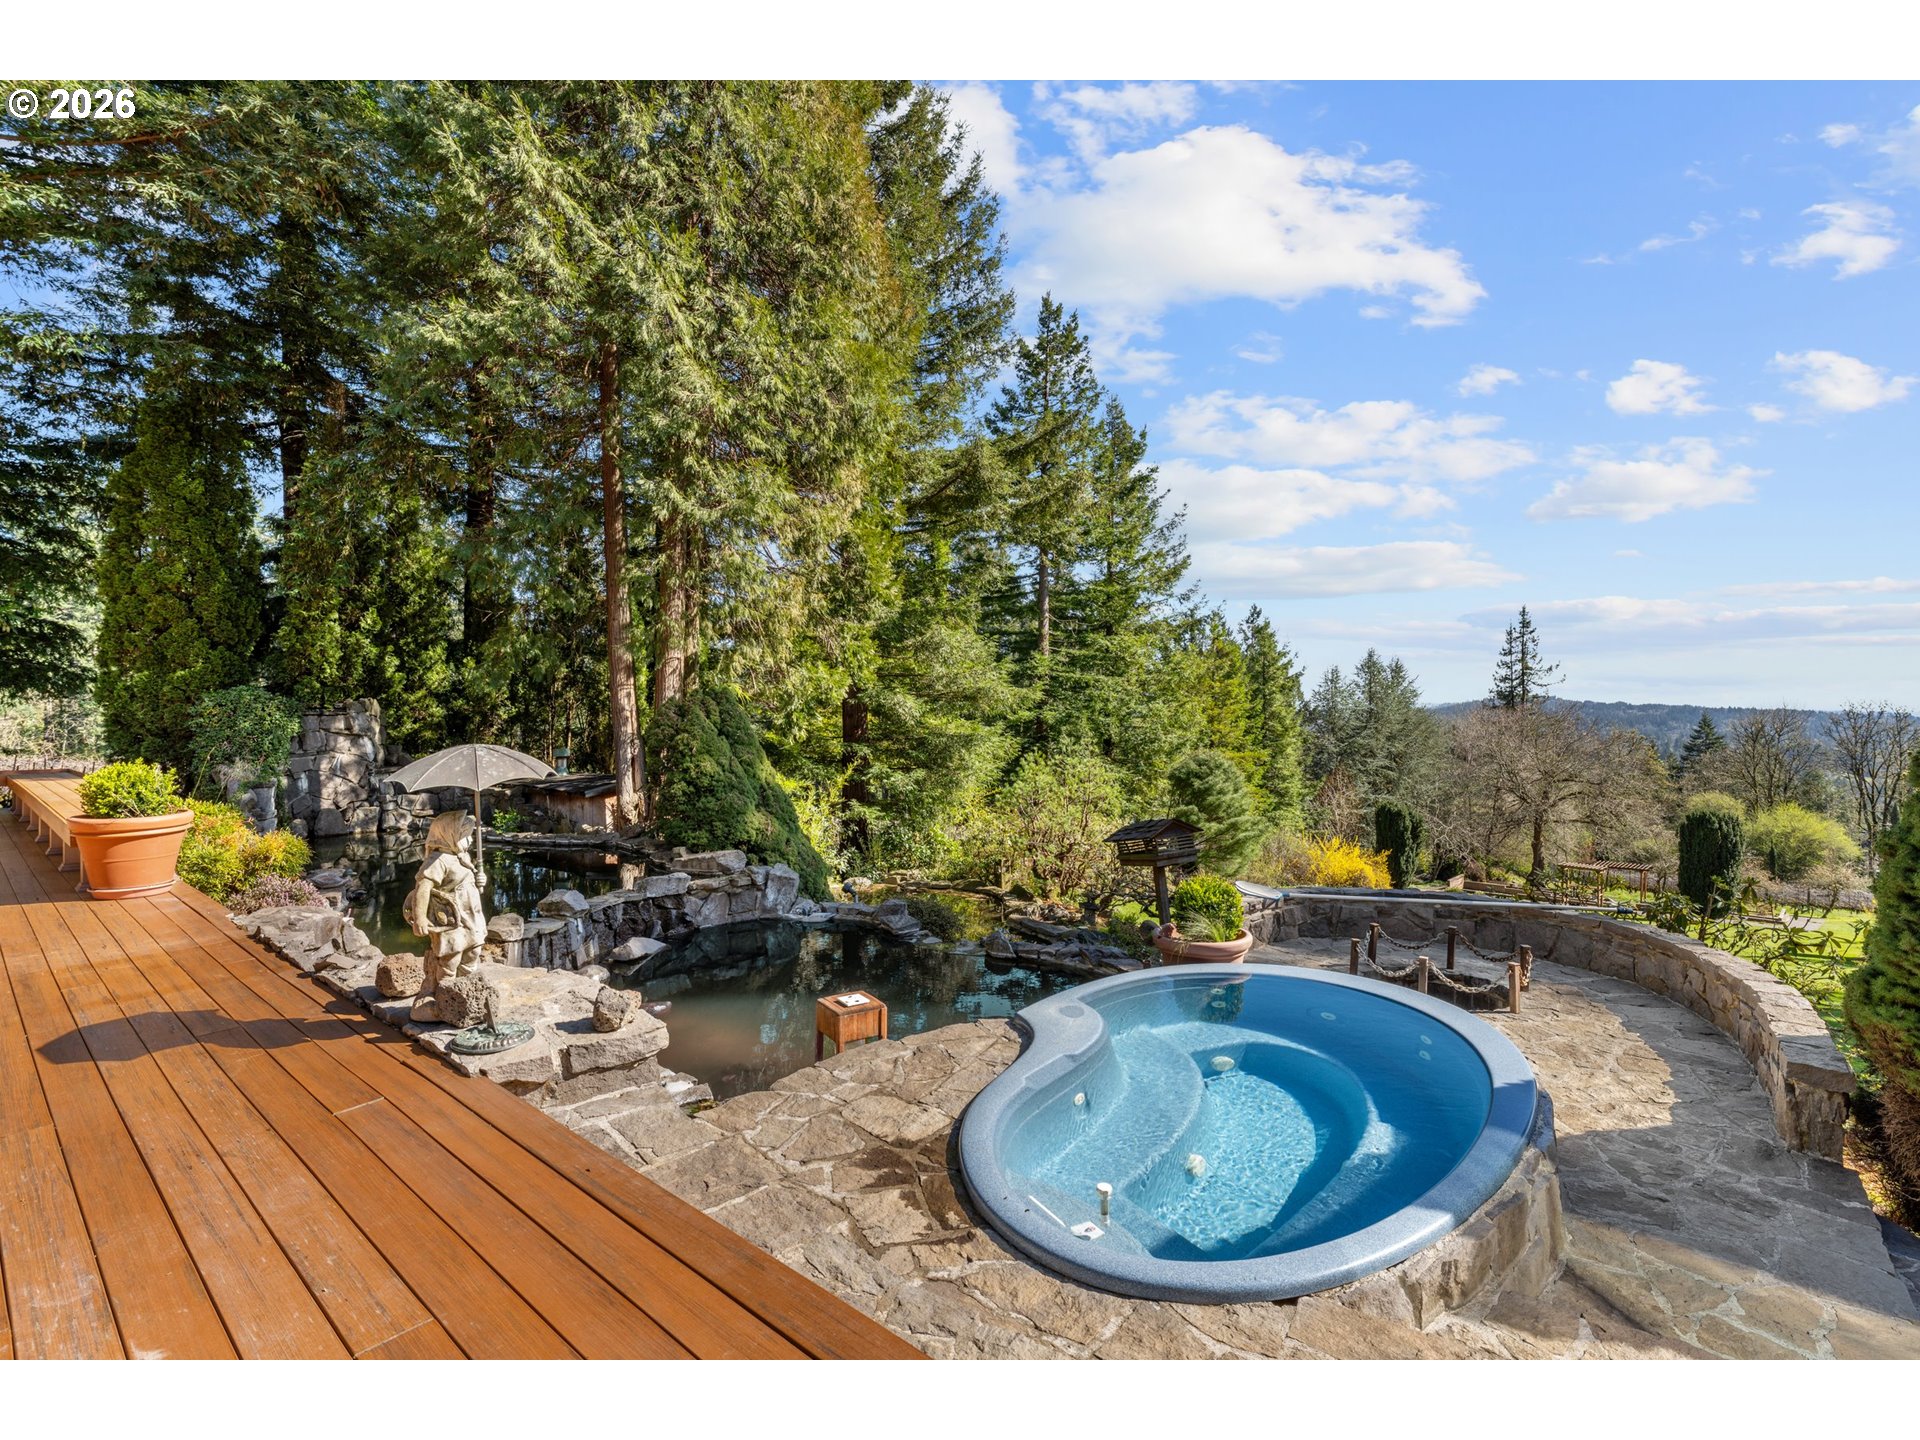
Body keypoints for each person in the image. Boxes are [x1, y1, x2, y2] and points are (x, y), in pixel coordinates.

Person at [405, 810, 489, 1022]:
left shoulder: (462, 857)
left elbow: (469, 884)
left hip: (471, 919)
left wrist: (481, 879)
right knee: (451, 958)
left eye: (471, 835)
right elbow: (423, 888)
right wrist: (420, 918)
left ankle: (466, 991)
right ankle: (445, 995)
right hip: (452, 922)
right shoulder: (438, 860)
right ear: (449, 834)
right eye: (465, 836)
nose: (470, 840)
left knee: (473, 952)